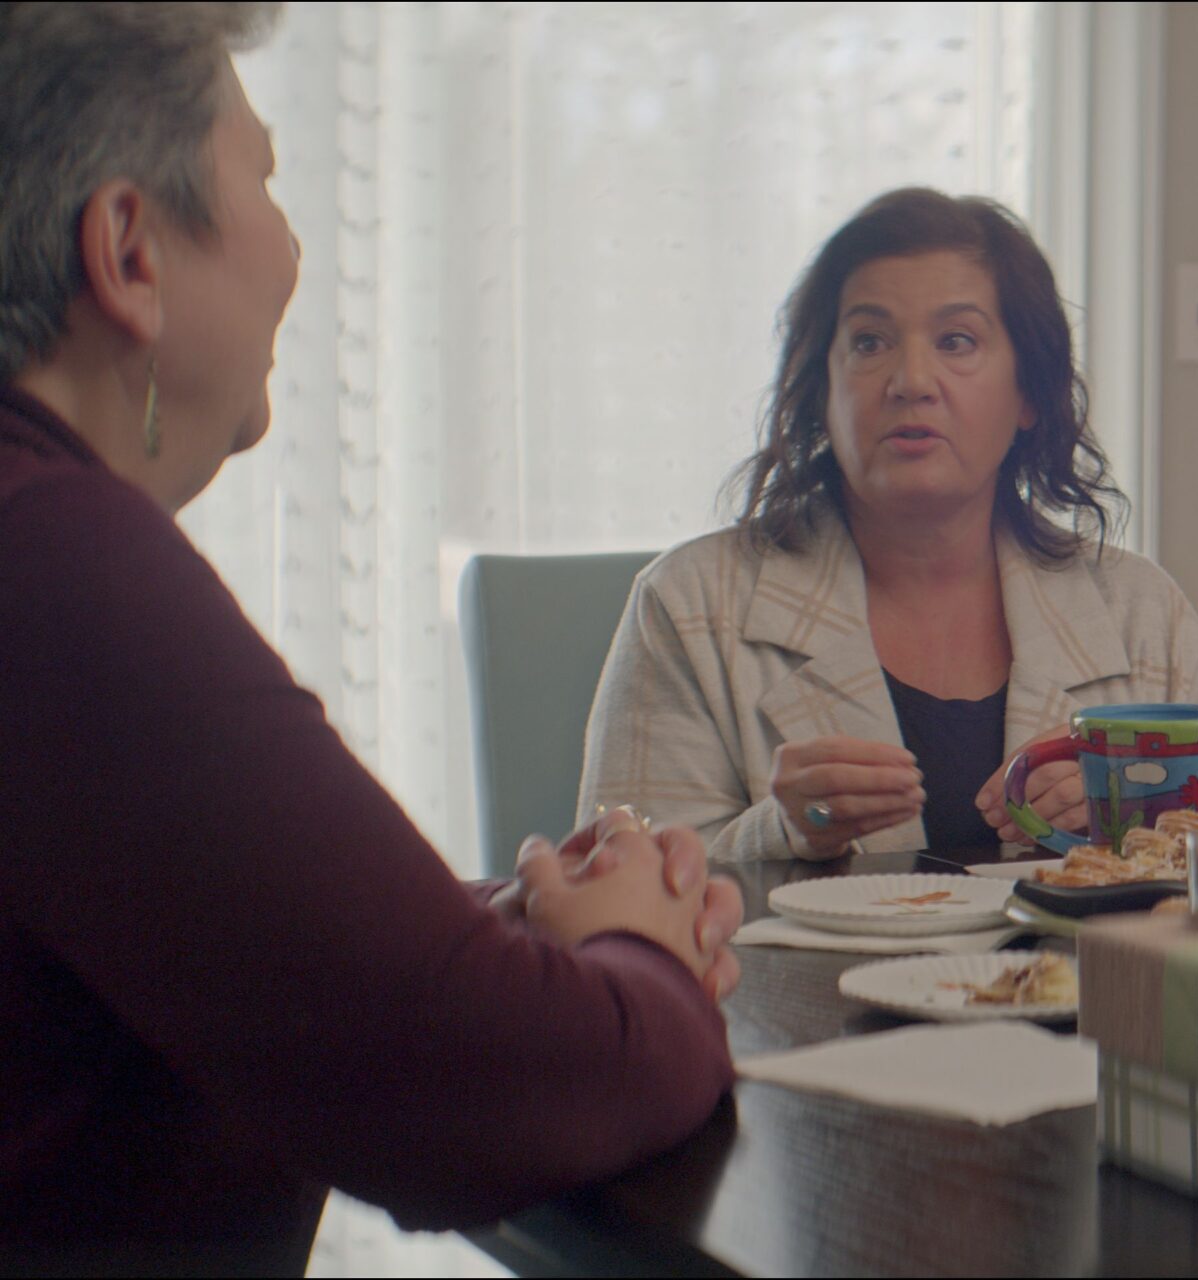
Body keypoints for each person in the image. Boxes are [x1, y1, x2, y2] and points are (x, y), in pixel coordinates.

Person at [0, 5, 741, 1270]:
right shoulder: (57, 561)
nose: (294, 248)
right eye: (266, 180)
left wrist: (511, 929)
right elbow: (488, 1095)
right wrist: (649, 953)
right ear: (128, 251)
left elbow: (220, 945)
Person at [577, 187, 1198, 860]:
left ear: (1029, 395)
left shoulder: (1143, 616)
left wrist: (1124, 827)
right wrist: (785, 831)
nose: (912, 380)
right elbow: (619, 896)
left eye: (957, 341)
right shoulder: (689, 605)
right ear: (821, 393)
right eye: (869, 342)